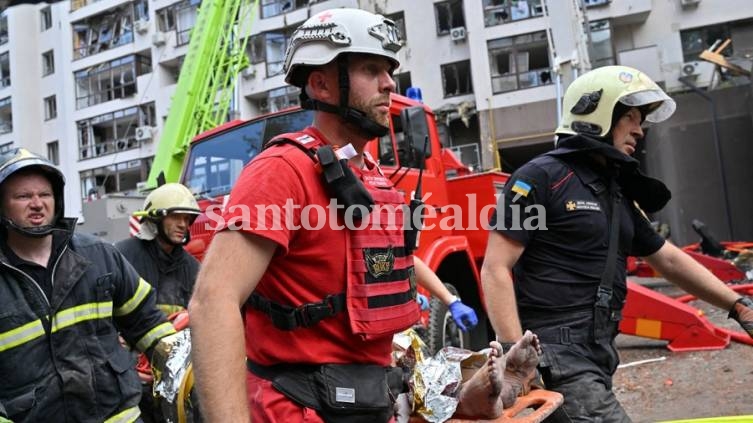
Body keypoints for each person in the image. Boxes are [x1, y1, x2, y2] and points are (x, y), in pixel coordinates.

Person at [189, 8, 478, 422]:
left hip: (370, 399)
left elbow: (393, 260)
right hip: (301, 407)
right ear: (321, 84)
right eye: (371, 68)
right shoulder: (282, 170)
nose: (389, 83)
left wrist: (448, 299)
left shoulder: (369, 174)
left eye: (389, 69)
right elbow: (212, 302)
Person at [480, 65, 753, 422]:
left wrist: (737, 305)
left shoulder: (614, 191)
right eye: (629, 117)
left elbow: (667, 259)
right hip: (556, 352)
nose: (639, 130)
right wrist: (520, 362)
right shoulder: (540, 178)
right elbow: (495, 267)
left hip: (598, 350)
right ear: (594, 114)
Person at [0, 148, 176, 423]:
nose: (37, 204)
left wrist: (178, 365)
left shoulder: (99, 255)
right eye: (23, 196)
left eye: (44, 195)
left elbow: (147, 322)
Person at [115, 182, 201, 423]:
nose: (183, 224)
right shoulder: (122, 256)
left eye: (187, 218)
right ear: (155, 218)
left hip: (176, 370)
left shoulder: (192, 268)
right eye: (176, 217)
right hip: (130, 373)